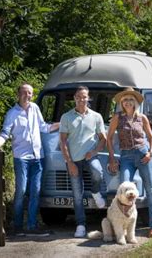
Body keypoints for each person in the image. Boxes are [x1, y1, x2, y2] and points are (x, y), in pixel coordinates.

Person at [0, 83, 59, 235]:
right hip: (21, 158)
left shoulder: (35, 108)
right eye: (24, 92)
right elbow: (5, 133)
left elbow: (43, 127)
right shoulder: (12, 113)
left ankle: (32, 225)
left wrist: (63, 124)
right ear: (18, 94)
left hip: (38, 157)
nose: (27, 95)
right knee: (21, 191)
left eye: (29, 93)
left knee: (35, 191)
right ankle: (17, 226)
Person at [107, 87, 152, 238]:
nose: (128, 102)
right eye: (125, 100)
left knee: (151, 189)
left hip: (143, 153)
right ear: (122, 103)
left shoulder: (142, 117)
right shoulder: (117, 117)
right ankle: (123, 227)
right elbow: (109, 138)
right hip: (126, 156)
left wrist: (150, 152)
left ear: (135, 102)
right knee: (124, 187)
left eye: (131, 99)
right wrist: (112, 157)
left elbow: (151, 137)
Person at [59, 86, 107, 238]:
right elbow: (63, 141)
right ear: (74, 98)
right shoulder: (66, 117)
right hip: (73, 160)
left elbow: (103, 139)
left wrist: (94, 152)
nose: (81, 99)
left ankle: (95, 191)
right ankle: (80, 225)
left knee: (98, 172)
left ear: (88, 98)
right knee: (77, 194)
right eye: (78, 97)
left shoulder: (96, 116)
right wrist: (69, 162)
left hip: (90, 156)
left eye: (84, 96)